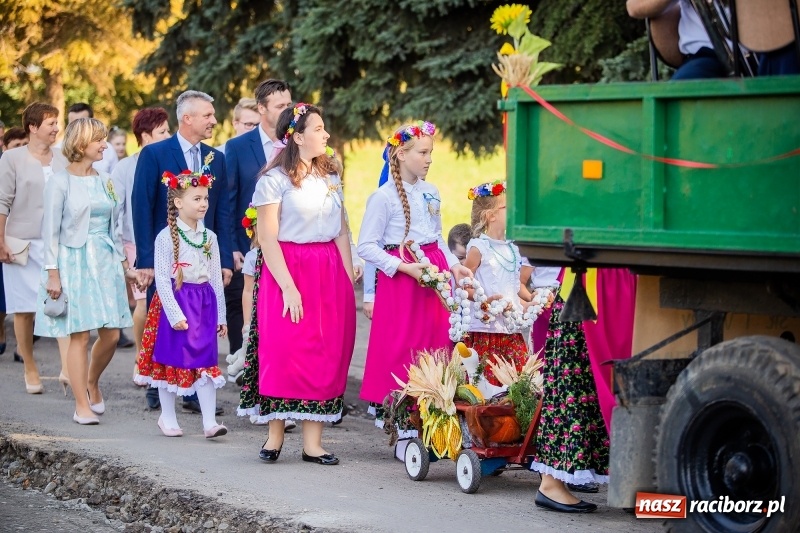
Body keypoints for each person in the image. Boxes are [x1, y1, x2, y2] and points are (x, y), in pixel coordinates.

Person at [240, 103, 355, 465]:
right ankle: (274, 434)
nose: (326, 135)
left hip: (327, 267)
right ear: (298, 136)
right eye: (319, 129)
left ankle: (312, 443)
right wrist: (288, 286)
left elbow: (341, 229)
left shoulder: (331, 176)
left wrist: (348, 276)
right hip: (287, 268)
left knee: (324, 347)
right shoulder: (273, 180)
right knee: (284, 347)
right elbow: (268, 238)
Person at [357, 121, 472, 430]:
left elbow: (435, 236)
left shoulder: (431, 192)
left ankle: (434, 413)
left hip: (433, 271)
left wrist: (453, 265)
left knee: (434, 343)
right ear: (401, 154)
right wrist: (402, 267)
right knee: (402, 345)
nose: (429, 159)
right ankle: (403, 421)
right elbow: (366, 246)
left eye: (431, 152)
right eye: (422, 152)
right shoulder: (384, 197)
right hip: (403, 278)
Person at [132, 90, 233, 413]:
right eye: (207, 115)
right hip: (165, 254)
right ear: (186, 118)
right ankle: (158, 383)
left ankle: (193, 389)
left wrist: (225, 258)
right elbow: (142, 206)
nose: (213, 121)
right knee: (166, 323)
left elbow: (223, 211)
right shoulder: (155, 154)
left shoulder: (217, 158)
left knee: (200, 324)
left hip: (203, 254)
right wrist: (145, 260)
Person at [35, 118, 133, 424]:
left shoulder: (105, 179)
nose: (105, 144)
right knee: (78, 336)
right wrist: (53, 273)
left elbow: (113, 226)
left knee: (112, 335)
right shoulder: (59, 181)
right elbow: (49, 231)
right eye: (99, 140)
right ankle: (81, 405)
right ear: (81, 145)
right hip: (73, 261)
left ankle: (91, 382)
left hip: (104, 261)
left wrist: (123, 264)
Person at [134, 167, 228, 438]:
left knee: (207, 360)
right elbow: (162, 280)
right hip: (176, 302)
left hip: (203, 304)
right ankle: (168, 416)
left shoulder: (210, 237)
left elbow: (214, 279)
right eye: (197, 199)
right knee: (171, 359)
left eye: (206, 199)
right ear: (178, 202)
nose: (203, 204)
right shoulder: (165, 237)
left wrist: (220, 316)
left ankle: (209, 422)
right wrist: (174, 314)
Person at [0, 102, 70, 393]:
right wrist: (0, 240)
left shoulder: (63, 158)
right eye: (50, 123)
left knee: (63, 305)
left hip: (58, 242)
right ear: (33, 127)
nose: (56, 128)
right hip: (22, 243)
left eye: (56, 123)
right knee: (25, 310)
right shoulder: (11, 158)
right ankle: (30, 367)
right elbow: (2, 202)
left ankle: (68, 369)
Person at [529, 268, 610, 514]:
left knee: (592, 384)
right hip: (587, 289)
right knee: (575, 382)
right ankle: (551, 483)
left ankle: (632, 483)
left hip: (600, 285)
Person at [225, 80, 292, 362]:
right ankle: (243, 363)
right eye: (280, 106)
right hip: (247, 244)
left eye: (289, 104)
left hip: (288, 241)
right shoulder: (238, 147)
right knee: (245, 307)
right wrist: (231, 246)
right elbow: (229, 199)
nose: (287, 110)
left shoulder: (296, 142)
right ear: (262, 109)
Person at [111, 108, 171, 363]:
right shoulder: (125, 168)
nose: (169, 135)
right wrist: (123, 255)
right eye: (163, 131)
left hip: (168, 244)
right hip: (135, 243)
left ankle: (163, 359)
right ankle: (141, 357)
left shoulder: (169, 162)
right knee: (144, 303)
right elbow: (116, 211)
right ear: (145, 136)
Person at [461, 181, 534, 386]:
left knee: (518, 383)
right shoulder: (478, 247)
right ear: (490, 216)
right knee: (487, 384)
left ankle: (511, 419)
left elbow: (514, 284)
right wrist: (485, 298)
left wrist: (530, 300)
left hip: (511, 329)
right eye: (507, 206)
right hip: (488, 330)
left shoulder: (512, 247)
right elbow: (465, 286)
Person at [64, 103, 120, 174]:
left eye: (82, 124)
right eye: (73, 124)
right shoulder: (58, 151)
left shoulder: (105, 178)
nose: (77, 129)